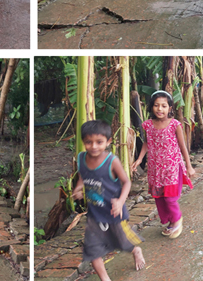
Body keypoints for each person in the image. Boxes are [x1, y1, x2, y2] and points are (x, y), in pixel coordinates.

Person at [73, 120, 145, 281]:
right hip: (94, 215)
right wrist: (78, 188)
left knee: (123, 242)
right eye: (88, 142)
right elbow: (82, 174)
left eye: (99, 142)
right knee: (92, 250)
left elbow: (126, 182)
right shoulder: (81, 158)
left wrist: (120, 202)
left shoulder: (112, 161)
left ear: (108, 142)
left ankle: (135, 251)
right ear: (83, 142)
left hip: (114, 212)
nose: (94, 146)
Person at [131, 90, 196, 239]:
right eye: (156, 105)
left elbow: (182, 146)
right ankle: (170, 222)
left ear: (170, 108)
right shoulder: (147, 125)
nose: (160, 109)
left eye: (164, 106)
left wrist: (189, 166)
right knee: (159, 197)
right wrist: (140, 159)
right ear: (151, 107)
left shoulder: (175, 125)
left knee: (170, 198)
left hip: (171, 166)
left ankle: (177, 220)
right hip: (154, 167)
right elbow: (147, 143)